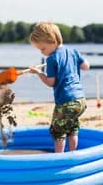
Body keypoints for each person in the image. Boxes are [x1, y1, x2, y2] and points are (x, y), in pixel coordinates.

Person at [29, 22, 90, 153]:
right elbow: (86, 66)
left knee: (58, 131)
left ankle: (59, 158)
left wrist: (39, 73)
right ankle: (73, 154)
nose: (42, 53)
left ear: (52, 41)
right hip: (80, 100)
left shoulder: (52, 59)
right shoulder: (73, 51)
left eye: (43, 49)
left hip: (65, 102)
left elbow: (51, 82)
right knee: (72, 128)